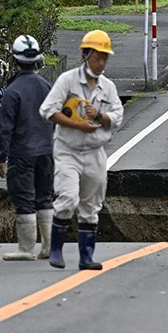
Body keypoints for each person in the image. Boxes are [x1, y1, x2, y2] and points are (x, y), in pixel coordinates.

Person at [39, 30, 123, 270]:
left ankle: (86, 256)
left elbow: (118, 115)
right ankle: (56, 250)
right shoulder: (67, 81)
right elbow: (47, 111)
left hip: (95, 151)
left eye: (105, 57)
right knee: (67, 198)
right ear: (86, 55)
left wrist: (101, 116)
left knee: (91, 206)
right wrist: (77, 124)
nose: (102, 62)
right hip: (68, 149)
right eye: (98, 56)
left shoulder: (107, 87)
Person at [0, 35, 55, 261]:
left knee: (24, 197)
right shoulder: (45, 86)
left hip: (22, 152)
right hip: (46, 151)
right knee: (44, 196)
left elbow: (5, 128)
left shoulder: (13, 91)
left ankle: (26, 249)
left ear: (15, 60)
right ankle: (49, 246)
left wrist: (2, 156)